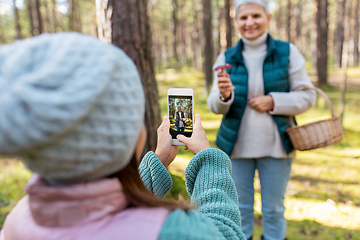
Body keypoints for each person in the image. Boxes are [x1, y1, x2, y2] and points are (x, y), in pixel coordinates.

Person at [0, 33, 246, 240]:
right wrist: (208, 159)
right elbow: (224, 232)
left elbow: (101, 207)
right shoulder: (170, 231)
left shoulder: (19, 221)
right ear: (121, 137)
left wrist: (158, 161)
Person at [206, 1, 316, 240]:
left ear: (268, 16)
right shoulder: (226, 57)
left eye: (256, 16)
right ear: (236, 21)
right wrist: (225, 96)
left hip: (276, 146)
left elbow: (308, 96)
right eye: (243, 18)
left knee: (274, 210)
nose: (250, 23)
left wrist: (273, 101)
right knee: (238, 211)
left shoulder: (287, 52)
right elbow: (213, 104)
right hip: (236, 147)